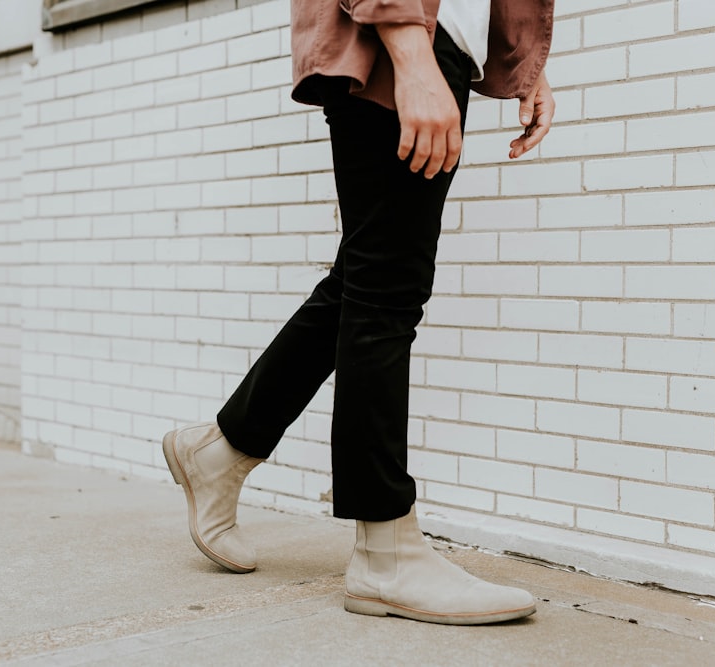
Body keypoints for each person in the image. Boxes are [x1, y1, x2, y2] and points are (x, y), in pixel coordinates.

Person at [163, 0, 556, 625]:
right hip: (396, 36)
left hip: (429, 42)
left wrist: (521, 65)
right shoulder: (409, 49)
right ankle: (385, 551)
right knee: (385, 291)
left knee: (364, 280)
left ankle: (221, 452)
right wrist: (410, 51)